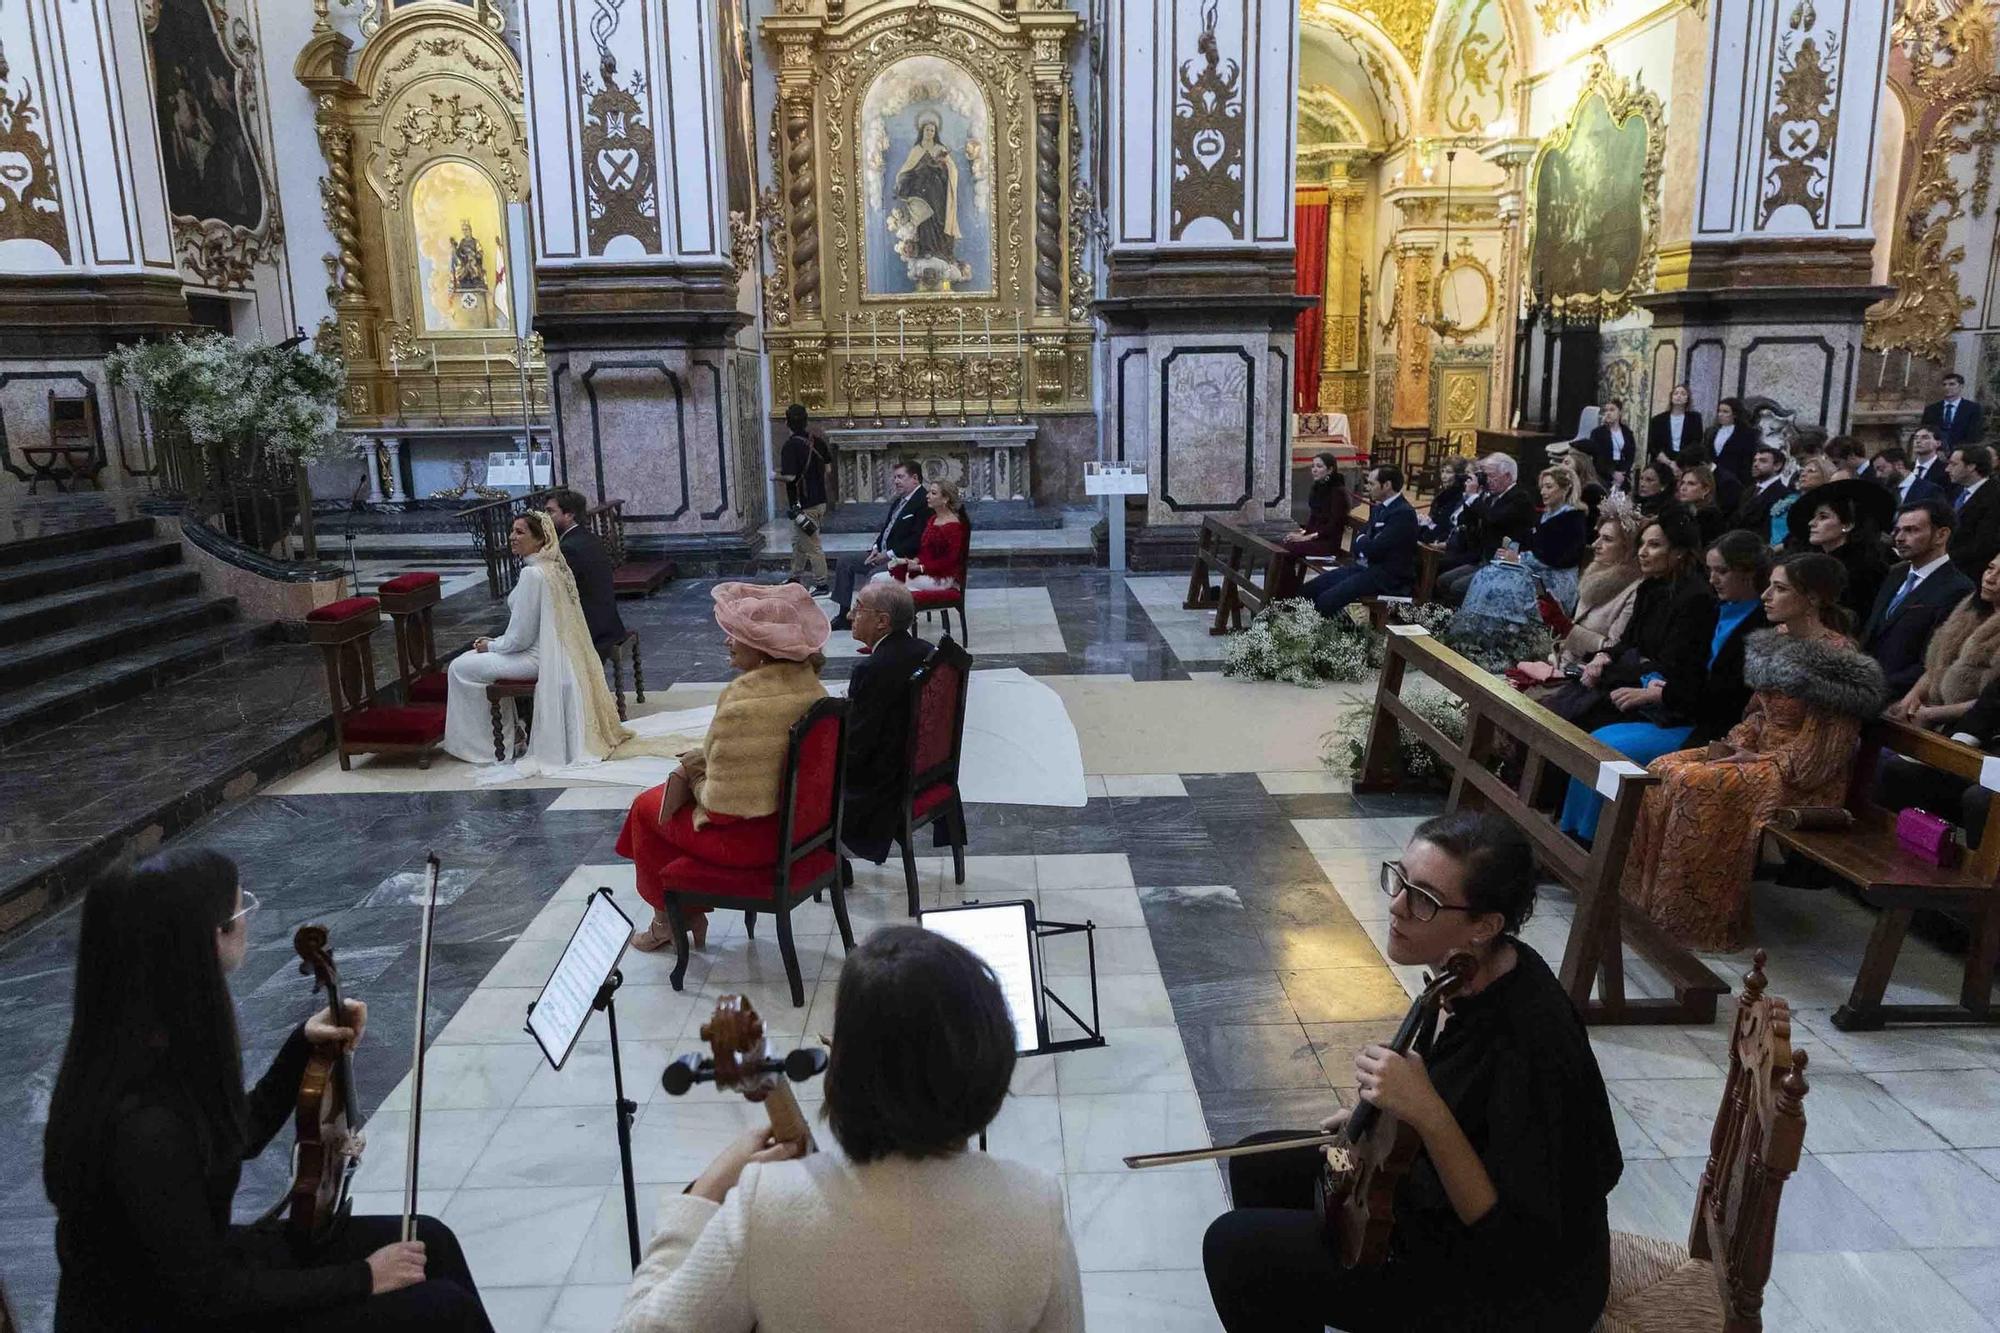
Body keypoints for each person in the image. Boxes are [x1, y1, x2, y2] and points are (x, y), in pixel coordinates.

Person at [1202, 813, 1622, 1333]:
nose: (1397, 904)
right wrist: (1378, 1123)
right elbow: (1466, 1110)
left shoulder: (1529, 1041)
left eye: (1423, 897)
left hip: (1516, 1288)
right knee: (1258, 1162)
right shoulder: (1470, 972)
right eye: (1399, 879)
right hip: (1435, 1198)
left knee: (1235, 1249)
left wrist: (1425, 1111)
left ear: (1485, 925)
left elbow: (1508, 1235)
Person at [45, 850, 492, 1332]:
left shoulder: (150, 1035)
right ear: (209, 937)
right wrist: (364, 1276)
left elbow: (239, 1134)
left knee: (431, 1241)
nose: (248, 921)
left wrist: (302, 1045)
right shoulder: (143, 1124)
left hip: (198, 1277)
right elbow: (208, 1297)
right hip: (165, 1315)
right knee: (441, 1309)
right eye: (241, 910)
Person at [614, 927, 1085, 1333]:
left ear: (842, 1070)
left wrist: (705, 1192)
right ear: (990, 1067)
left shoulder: (765, 1207)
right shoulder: (1035, 1209)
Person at [1619, 554, 1887, 950]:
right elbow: (1757, 715)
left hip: (1804, 775)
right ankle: (1644, 904)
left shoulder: (1838, 659)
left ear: (1812, 599)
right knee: (1660, 769)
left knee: (1698, 784)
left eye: (1779, 588)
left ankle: (1693, 922)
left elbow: (1827, 749)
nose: (1765, 595)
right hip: (1759, 755)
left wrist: (1761, 760)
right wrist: (1737, 746)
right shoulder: (1776, 640)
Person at [619, 583, 830, 952]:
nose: (726, 642)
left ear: (763, 649)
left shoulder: (743, 708)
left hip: (751, 842)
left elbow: (721, 809)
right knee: (658, 801)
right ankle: (681, 913)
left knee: (644, 808)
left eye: (735, 635)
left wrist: (697, 773)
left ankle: (668, 921)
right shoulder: (812, 689)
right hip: (796, 831)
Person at [1558, 530, 1769, 841]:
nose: (1713, 579)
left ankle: (1598, 842)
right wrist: (1661, 685)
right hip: (1679, 708)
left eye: (1722, 571)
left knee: (1616, 750)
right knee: (1597, 739)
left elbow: (1726, 695)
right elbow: (1681, 664)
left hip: (1711, 726)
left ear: (1748, 572)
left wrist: (1663, 692)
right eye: (1710, 570)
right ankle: (1574, 834)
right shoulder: (1712, 608)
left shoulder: (1758, 625)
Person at [442, 511, 642, 771]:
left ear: (540, 540)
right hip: (547, 653)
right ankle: (510, 734)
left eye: (520, 532)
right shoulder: (553, 567)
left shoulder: (533, 575)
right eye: (512, 531)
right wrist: (496, 642)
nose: (512, 537)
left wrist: (491, 646)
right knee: (469, 661)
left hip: (534, 658)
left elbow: (521, 638)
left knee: (460, 667)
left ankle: (486, 746)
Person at [1544, 506, 1716, 736]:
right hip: (1622, 675)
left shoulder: (1695, 598)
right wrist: (1605, 656)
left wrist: (1615, 663)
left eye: (1654, 545)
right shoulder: (1651, 586)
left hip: (1655, 696)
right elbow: (1627, 641)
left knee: (1574, 727)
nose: (1643, 552)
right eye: (1642, 544)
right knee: (1550, 713)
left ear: (1678, 551)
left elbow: (1671, 664)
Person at [837, 581, 932, 866]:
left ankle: (830, 864)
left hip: (883, 782)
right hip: (922, 768)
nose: (851, 616)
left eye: (858, 608)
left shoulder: (872, 669)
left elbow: (857, 748)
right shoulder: (925, 650)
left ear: (882, 621)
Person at [1510, 498, 1645, 689]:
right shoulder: (1596, 574)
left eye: (1607, 539)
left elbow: (1613, 650)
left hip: (1585, 678)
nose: (1596, 544)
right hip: (1561, 663)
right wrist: (1558, 620)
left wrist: (1566, 627)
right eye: (1598, 536)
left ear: (1628, 548)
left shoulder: (1635, 591)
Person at [1454, 465, 1589, 638]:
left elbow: (1556, 557)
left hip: (1553, 581)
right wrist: (1511, 552)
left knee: (1496, 588)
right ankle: (1473, 636)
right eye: (1542, 487)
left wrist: (1518, 558)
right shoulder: (1547, 516)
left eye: (1549, 487)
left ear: (1566, 489)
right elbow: (1528, 542)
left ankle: (1496, 638)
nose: (1543, 492)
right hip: (1533, 572)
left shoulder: (1572, 519)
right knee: (1485, 576)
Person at [1862, 498, 1972, 696]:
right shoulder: (1896, 573)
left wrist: (1877, 689)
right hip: (1864, 686)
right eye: (1898, 530)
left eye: (1912, 530)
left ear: (1941, 535)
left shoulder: (1958, 588)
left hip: (1897, 698)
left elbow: (1934, 660)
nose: (1900, 538)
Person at [1883, 553, 2000, 734]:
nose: (1990, 578)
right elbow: (1935, 666)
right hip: (1926, 715)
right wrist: (1909, 701)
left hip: (1968, 730)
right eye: (1991, 568)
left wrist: (1932, 714)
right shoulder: (1968, 608)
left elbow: (1991, 701)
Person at [1303, 465, 1417, 617]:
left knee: (1326, 600)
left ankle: (1343, 634)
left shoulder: (1403, 513)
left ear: (1387, 485)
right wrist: (1364, 541)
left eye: (1372, 484)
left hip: (1385, 576)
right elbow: (1362, 537)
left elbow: (1375, 547)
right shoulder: (1380, 507)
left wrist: (1363, 541)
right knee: (1310, 589)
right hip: (1364, 567)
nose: (1367, 488)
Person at [829, 459, 927, 630]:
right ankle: (844, 613)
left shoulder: (923, 502)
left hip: (902, 558)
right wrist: (876, 549)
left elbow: (916, 540)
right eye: (895, 477)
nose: (896, 481)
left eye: (900, 477)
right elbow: (886, 530)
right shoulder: (899, 501)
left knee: (874, 574)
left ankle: (869, 621)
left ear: (915, 478)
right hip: (882, 553)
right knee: (845, 561)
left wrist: (887, 555)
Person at [1437, 454, 1535, 605]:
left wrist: (1474, 498)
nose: (1487, 480)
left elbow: (1494, 518)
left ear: (1507, 476)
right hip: (1482, 558)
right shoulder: (1490, 497)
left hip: (1502, 564)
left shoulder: (1520, 498)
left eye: (1490, 475)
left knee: (1458, 587)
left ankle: (1462, 621)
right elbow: (1466, 521)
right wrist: (1468, 497)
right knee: (1444, 581)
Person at [545, 489, 628, 648]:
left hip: (592, 630)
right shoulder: (588, 537)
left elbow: (557, 591)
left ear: (569, 515)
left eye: (550, 512)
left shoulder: (569, 548)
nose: (545, 518)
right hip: (608, 623)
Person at [1804, 480, 1891, 623]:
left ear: (1847, 525)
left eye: (1823, 517)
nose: (1812, 523)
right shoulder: (1815, 561)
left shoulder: (1863, 569)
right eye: (1814, 517)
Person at [773, 404, 833, 593]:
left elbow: (790, 477)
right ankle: (795, 577)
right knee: (798, 542)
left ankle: (822, 583)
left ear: (786, 422)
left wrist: (774, 476)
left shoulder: (790, 446)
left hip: (804, 504)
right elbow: (828, 469)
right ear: (806, 420)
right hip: (819, 501)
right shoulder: (818, 441)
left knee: (812, 545)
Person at [885, 479, 969, 593]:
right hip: (926, 572)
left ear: (945, 499)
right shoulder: (933, 519)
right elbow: (925, 551)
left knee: (882, 584)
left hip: (942, 577)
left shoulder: (954, 526)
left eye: (933, 493)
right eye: (928, 492)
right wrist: (913, 561)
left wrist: (921, 568)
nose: (927, 496)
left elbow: (950, 561)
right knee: (880, 580)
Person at [1284, 451, 1351, 557]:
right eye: (1313, 466)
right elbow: (1314, 516)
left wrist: (1307, 537)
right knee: (1285, 542)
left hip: (1327, 542)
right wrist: (1302, 534)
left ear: (1330, 470)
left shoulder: (1338, 492)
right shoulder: (1317, 488)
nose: (1314, 470)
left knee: (1288, 549)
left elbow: (1334, 524)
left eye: (1319, 467)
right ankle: (1287, 574)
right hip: (1315, 537)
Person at [1947, 444, 2000, 578]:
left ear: (1971, 467)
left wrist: (1943, 559)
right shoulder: (1958, 491)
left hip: (1969, 574)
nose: (1947, 469)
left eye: (1954, 464)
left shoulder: (1994, 496)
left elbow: (1984, 545)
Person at [1770, 454, 1833, 551]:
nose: (1803, 474)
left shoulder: (1826, 504)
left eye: (1811, 471)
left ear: (1826, 474)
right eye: (1802, 471)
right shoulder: (1797, 501)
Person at [1731, 445, 1793, 541]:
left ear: (1777, 466)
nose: (1756, 464)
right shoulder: (1749, 490)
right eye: (1755, 460)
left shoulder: (1783, 494)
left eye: (1762, 461)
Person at [1923, 371, 1985, 450]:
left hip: (1962, 450)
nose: (1947, 387)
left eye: (1952, 384)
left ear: (1961, 386)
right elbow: (1925, 432)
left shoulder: (1972, 408)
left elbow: (1974, 433)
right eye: (1944, 385)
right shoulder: (1931, 409)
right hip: (1935, 451)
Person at [1587, 400, 1638, 489]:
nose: (1608, 413)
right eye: (1606, 411)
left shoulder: (1627, 432)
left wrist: (1623, 472)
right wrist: (1612, 473)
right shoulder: (1597, 433)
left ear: (1620, 412)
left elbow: (1631, 454)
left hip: (1622, 472)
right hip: (1603, 474)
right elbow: (1597, 457)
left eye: (1612, 410)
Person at [1871, 445, 1943, 508]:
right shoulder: (1885, 494)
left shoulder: (1930, 490)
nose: (1878, 475)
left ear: (1899, 465)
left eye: (1881, 469)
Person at [1647, 384, 1703, 463]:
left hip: (1686, 461)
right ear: (1671, 398)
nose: (1679, 396)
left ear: (1687, 399)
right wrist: (1669, 463)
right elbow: (1654, 446)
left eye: (1683, 394)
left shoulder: (1695, 419)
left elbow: (1696, 442)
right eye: (1676, 393)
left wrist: (1680, 462)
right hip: (1663, 462)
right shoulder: (1658, 420)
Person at [1706, 397, 1756, 485]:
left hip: (1734, 479)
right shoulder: (1711, 432)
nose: (1720, 414)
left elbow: (1747, 459)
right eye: (1719, 411)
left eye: (1725, 412)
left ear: (1735, 414)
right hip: (1711, 479)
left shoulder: (1746, 433)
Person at [1674, 463, 1727, 545]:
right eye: (1682, 483)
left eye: (1691, 484)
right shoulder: (1682, 511)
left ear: (1706, 490)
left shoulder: (1710, 517)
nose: (1683, 488)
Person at [1909, 423, 1952, 493]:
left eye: (1925, 438)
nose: (1918, 441)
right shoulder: (1907, 468)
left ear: (1938, 443)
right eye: (1916, 438)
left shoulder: (1946, 471)